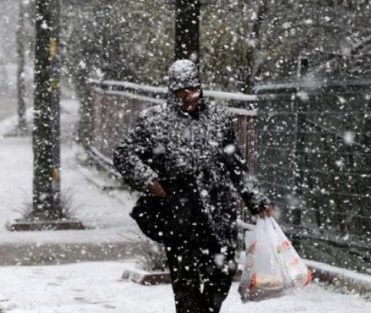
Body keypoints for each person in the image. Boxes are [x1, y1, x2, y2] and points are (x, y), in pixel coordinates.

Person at [113, 59, 274, 313]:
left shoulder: (219, 118)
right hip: (179, 215)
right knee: (186, 285)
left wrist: (255, 199)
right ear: (171, 91)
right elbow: (124, 154)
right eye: (181, 90)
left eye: (193, 88)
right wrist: (149, 181)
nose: (189, 96)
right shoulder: (154, 120)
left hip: (218, 211)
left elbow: (235, 164)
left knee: (221, 275)